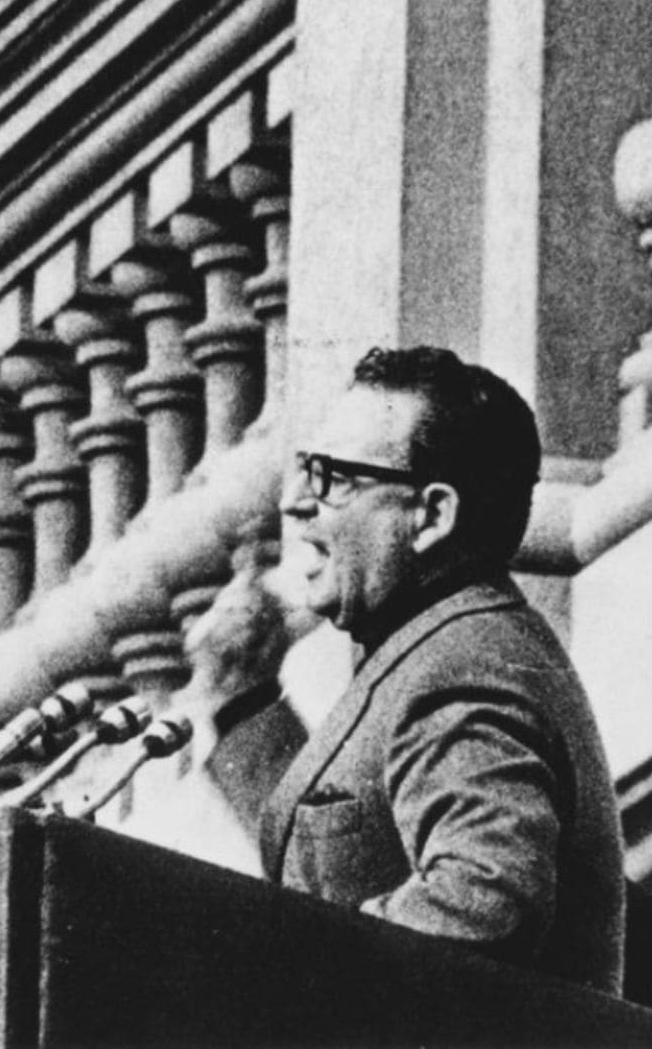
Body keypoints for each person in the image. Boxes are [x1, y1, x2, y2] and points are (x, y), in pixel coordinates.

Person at [259, 345, 626, 995]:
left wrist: (282, 986)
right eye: (303, 470)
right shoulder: (436, 648)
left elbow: (485, 900)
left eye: (333, 478)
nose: (295, 503)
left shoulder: (461, 665)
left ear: (431, 516)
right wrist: (241, 710)